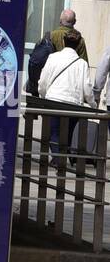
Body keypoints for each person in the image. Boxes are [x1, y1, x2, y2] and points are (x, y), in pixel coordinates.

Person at [38, 27, 93, 161]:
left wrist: (43, 95)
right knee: (67, 134)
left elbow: (43, 80)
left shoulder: (53, 57)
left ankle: (58, 160)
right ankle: (59, 159)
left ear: (63, 41)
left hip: (53, 101)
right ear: (79, 44)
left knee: (53, 133)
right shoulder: (82, 64)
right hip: (73, 104)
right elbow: (87, 88)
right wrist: (92, 103)